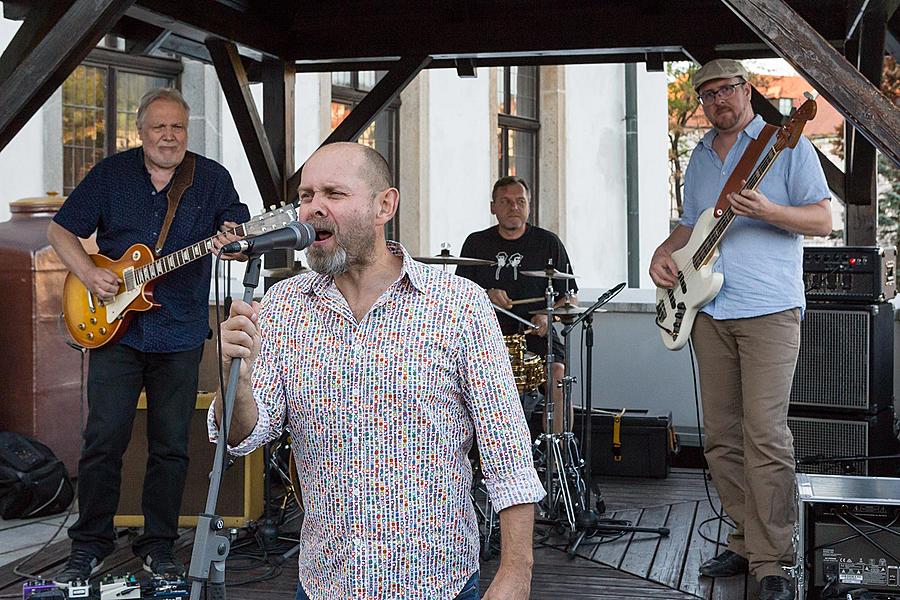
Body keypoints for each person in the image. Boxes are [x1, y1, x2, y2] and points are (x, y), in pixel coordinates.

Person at [211, 142, 544, 600]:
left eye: (334, 193)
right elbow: (242, 434)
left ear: (384, 205)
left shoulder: (458, 305)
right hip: (326, 582)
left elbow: (507, 452)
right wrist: (237, 381)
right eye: (306, 196)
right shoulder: (284, 306)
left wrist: (516, 572)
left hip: (437, 583)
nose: (313, 209)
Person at [48, 88, 250, 586]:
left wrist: (236, 241)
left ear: (187, 131)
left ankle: (158, 546)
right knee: (103, 440)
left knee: (171, 447)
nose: (168, 135)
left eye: (177, 127)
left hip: (179, 330)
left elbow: (238, 235)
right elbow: (61, 231)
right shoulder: (112, 175)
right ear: (140, 131)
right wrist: (90, 275)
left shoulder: (211, 179)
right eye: (158, 126)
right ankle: (90, 542)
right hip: (115, 331)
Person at [649, 59, 831, 600]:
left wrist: (771, 210)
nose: (716, 101)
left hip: (770, 309)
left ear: (745, 90)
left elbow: (823, 219)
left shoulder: (786, 143)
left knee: (766, 436)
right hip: (709, 311)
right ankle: (744, 538)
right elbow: (692, 223)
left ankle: (774, 557)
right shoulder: (700, 158)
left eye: (725, 90)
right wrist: (664, 254)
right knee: (723, 438)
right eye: (706, 95)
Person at [455, 176, 577, 432]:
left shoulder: (548, 242)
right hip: (488, 337)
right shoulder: (476, 243)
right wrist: (485, 294)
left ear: (529, 206)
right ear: (493, 207)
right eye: (506, 202)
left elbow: (569, 298)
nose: (514, 207)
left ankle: (555, 460)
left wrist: (548, 316)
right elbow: (459, 296)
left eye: (520, 201)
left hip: (534, 335)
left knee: (558, 375)